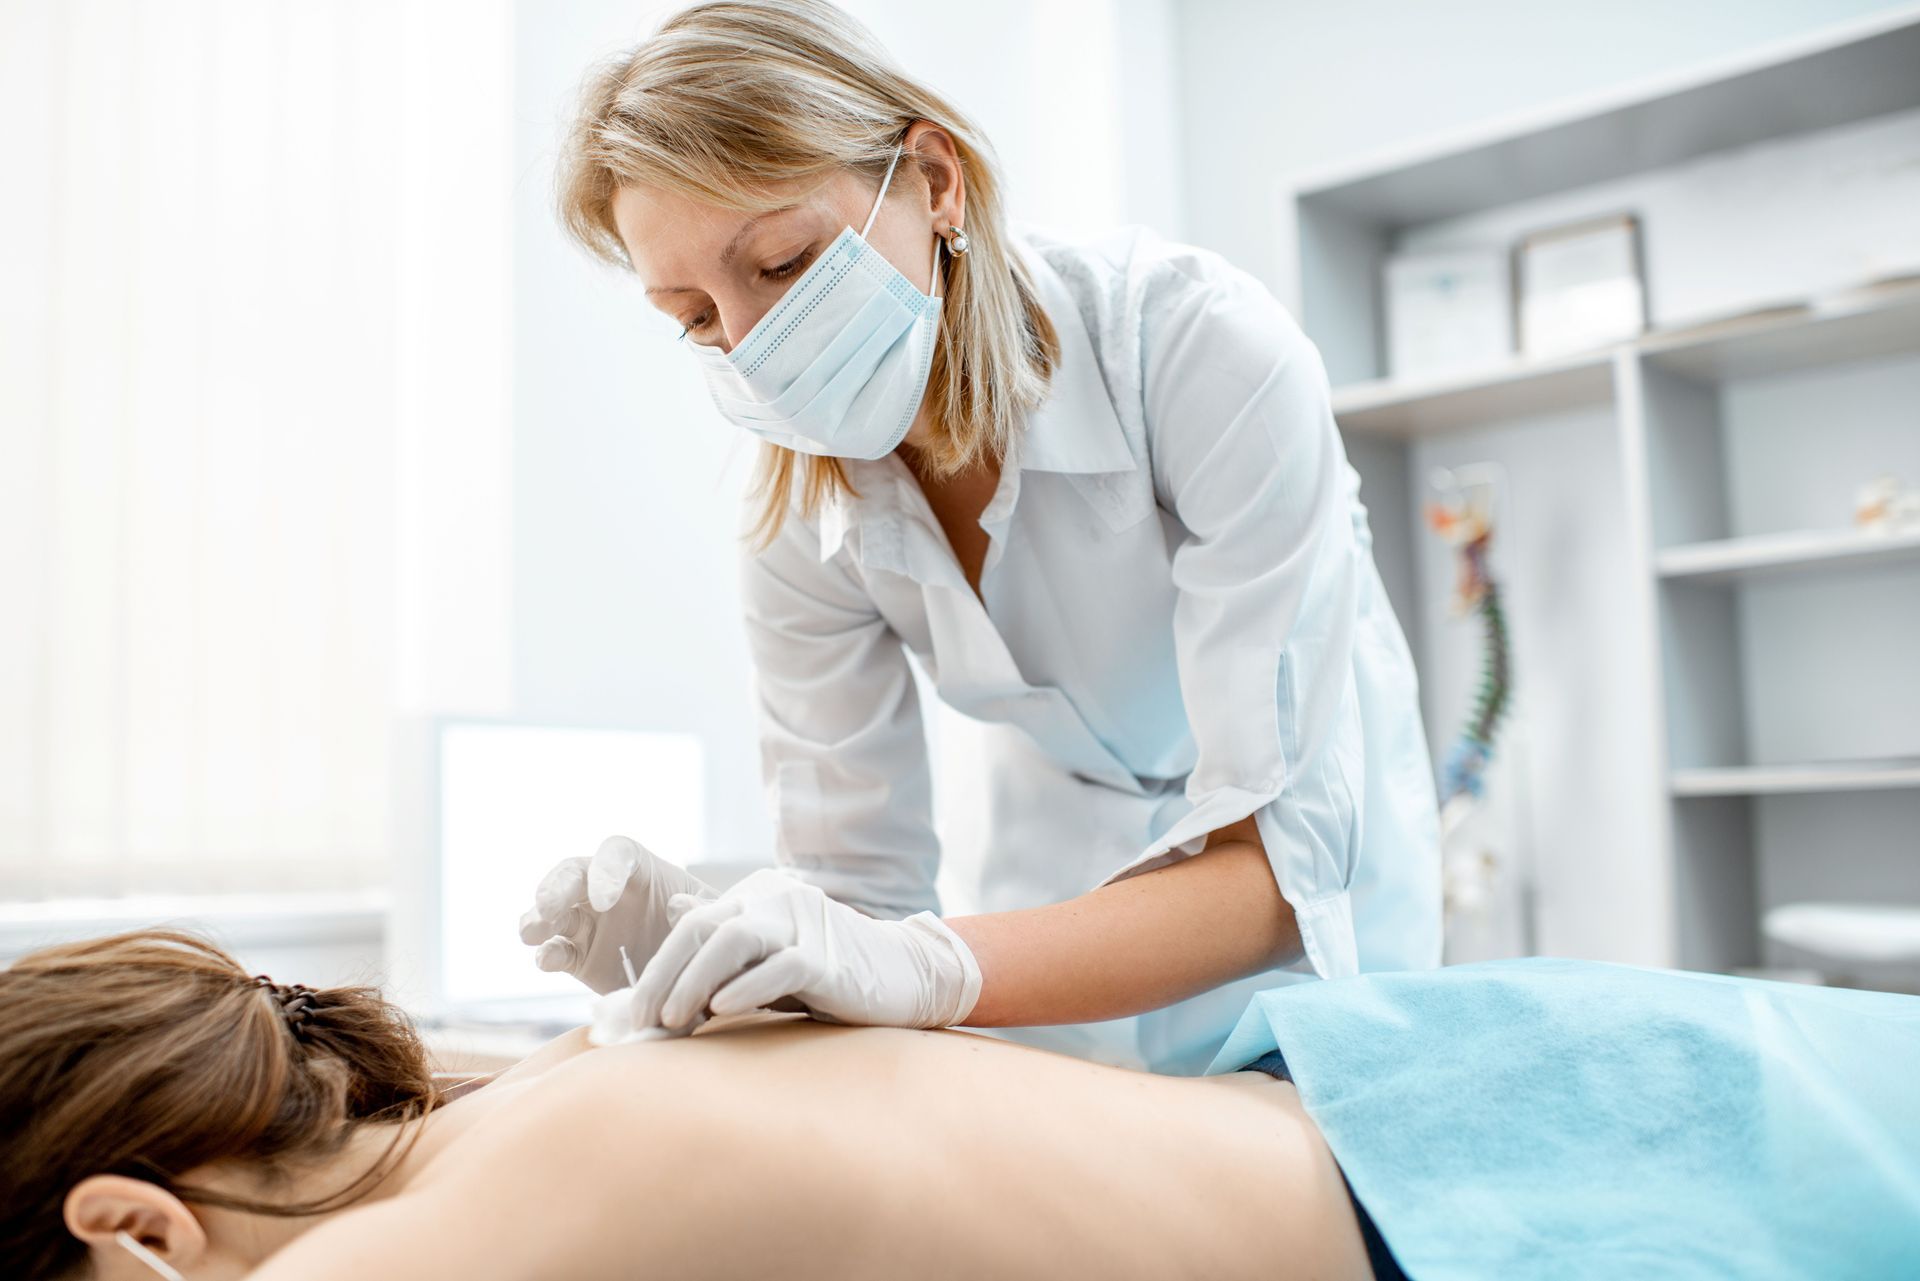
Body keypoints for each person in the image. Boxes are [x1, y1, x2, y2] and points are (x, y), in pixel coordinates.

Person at [518, 0, 1441, 1076]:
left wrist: (932, 970)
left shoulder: (1198, 356)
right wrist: (710, 949)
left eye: (779, 263)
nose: (752, 348)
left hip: (1316, 959)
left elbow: (1278, 874)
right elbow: (853, 911)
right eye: (697, 317)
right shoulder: (798, 529)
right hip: (1054, 937)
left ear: (934, 182)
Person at [8, 930, 1919, 1280]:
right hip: (1488, 1087)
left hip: (1502, 1206)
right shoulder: (548, 1093)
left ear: (132, 1222)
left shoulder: (435, 1244)